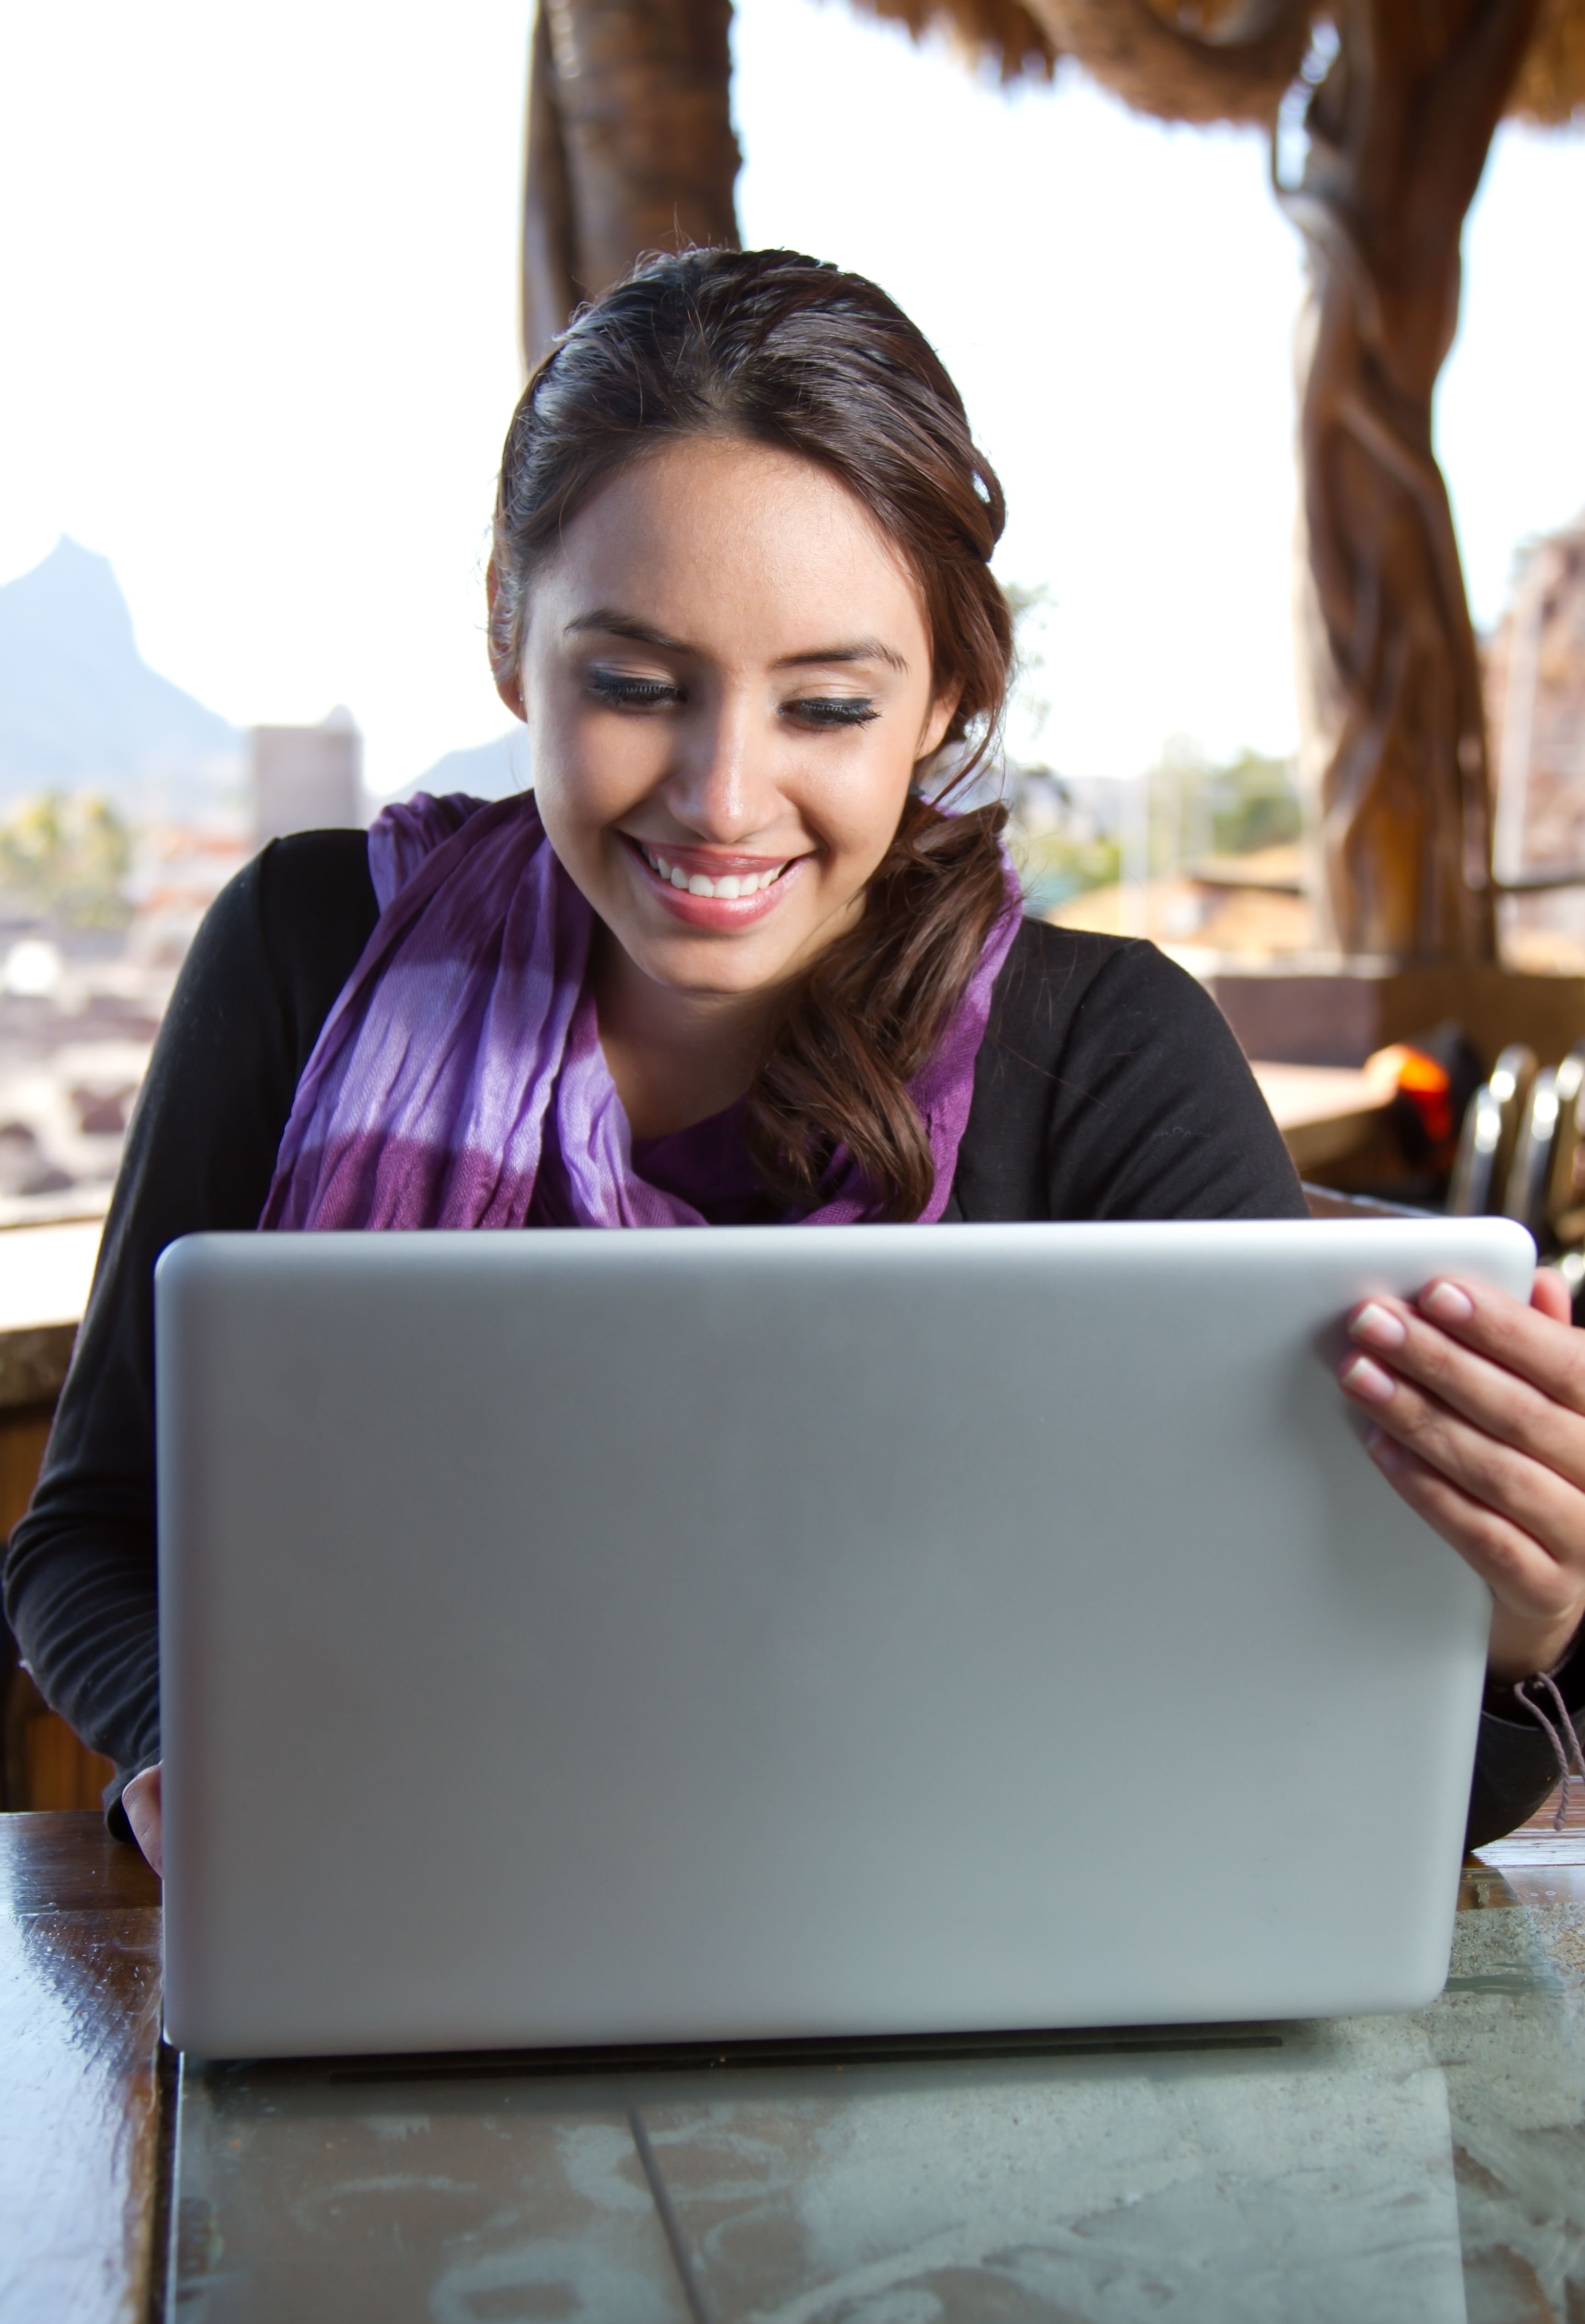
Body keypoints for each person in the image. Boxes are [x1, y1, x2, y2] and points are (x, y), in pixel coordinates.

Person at [7, 250, 1585, 1879]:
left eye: (827, 705)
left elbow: (1303, 1757)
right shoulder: (300, 950)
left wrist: (1506, 1628)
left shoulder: (1109, 1057)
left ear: (945, 700)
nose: (722, 796)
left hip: (968, 1957)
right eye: (632, 686)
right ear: (509, 644)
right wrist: (194, 1757)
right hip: (407, 1901)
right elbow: (89, 1538)